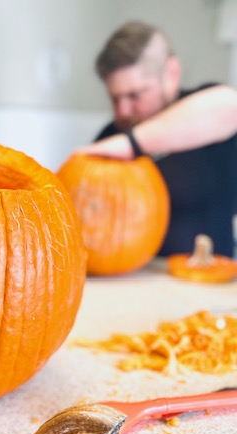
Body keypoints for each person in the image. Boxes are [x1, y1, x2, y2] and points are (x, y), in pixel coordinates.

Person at [76, 21, 237, 257]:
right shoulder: (110, 135)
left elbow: (230, 106)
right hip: (132, 278)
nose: (123, 110)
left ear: (171, 73)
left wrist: (130, 144)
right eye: (115, 98)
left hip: (207, 279)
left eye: (135, 95)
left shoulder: (206, 107)